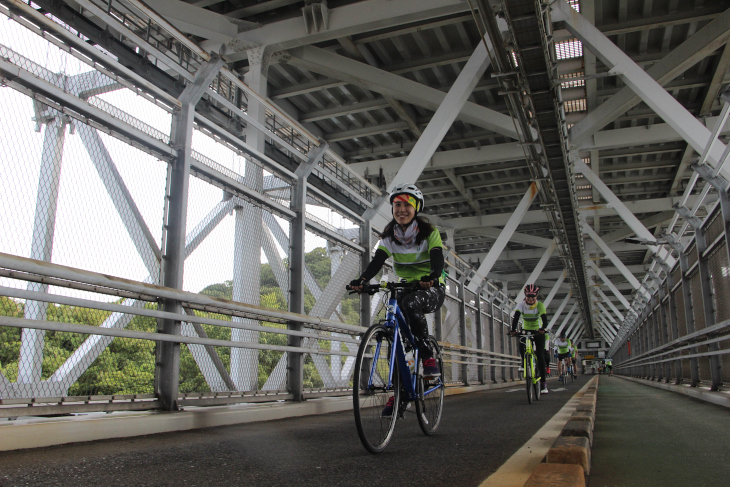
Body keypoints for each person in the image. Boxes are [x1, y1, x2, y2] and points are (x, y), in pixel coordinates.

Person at [348, 183, 446, 417]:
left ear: (416, 208)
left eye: (407, 205)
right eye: (397, 205)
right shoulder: (390, 237)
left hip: (431, 287)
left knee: (410, 303)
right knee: (397, 344)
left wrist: (432, 277)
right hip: (405, 286)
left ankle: (427, 355)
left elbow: (437, 258)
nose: (401, 209)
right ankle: (400, 396)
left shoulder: (429, 234)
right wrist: (362, 279)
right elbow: (377, 262)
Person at [509, 284, 548, 394]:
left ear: (536, 297)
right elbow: (516, 318)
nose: (530, 300)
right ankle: (523, 361)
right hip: (525, 329)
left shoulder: (540, 305)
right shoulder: (521, 305)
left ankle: (544, 383)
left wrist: (543, 328)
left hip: (537, 330)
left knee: (540, 355)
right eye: (528, 297)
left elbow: (544, 319)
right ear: (525, 296)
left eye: (533, 297)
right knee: (521, 344)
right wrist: (513, 330)